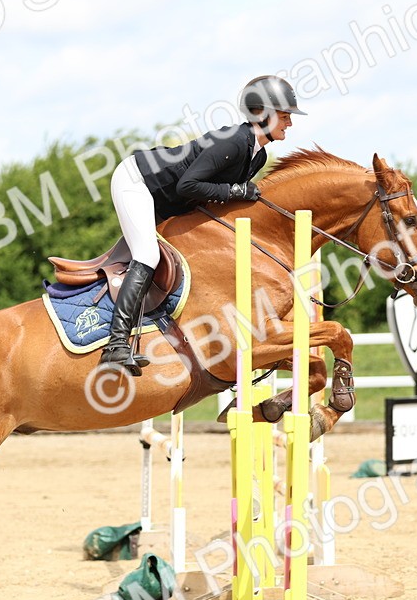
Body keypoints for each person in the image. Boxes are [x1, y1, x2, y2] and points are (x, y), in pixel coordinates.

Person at [100, 75, 306, 375]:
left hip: (169, 199)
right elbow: (187, 185)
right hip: (138, 182)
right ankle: (115, 344)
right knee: (147, 256)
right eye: (285, 116)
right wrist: (235, 191)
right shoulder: (234, 141)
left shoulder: (257, 155)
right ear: (263, 114)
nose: (290, 123)